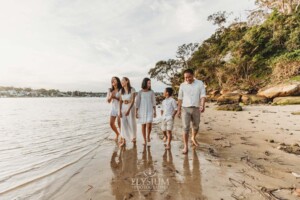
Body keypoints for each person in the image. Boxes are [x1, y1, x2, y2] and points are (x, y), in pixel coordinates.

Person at [177, 69, 206, 154]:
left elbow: (203, 95)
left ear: (193, 75)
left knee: (196, 126)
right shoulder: (182, 85)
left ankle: (193, 137)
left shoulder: (200, 83)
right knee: (185, 128)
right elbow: (179, 98)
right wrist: (178, 110)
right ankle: (185, 146)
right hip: (185, 109)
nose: (187, 79)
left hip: (196, 109)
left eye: (189, 77)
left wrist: (202, 105)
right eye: (185, 77)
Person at [135, 78, 156, 146]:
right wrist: (136, 112)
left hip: (150, 110)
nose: (150, 84)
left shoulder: (151, 92)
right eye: (148, 83)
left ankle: (148, 136)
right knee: (143, 125)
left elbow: (154, 102)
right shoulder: (140, 92)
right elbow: (137, 102)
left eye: (150, 83)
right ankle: (144, 139)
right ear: (145, 83)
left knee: (149, 125)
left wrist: (155, 111)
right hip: (142, 110)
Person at [118, 77, 137, 147]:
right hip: (123, 107)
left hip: (131, 107)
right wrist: (119, 111)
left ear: (127, 81)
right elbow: (120, 101)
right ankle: (124, 140)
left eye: (122, 81)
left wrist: (129, 110)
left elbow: (133, 101)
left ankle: (134, 137)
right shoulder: (121, 90)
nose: (121, 82)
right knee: (123, 123)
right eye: (121, 81)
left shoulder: (132, 89)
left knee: (131, 122)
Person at [107, 77, 122, 141]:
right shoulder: (110, 90)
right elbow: (108, 101)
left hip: (120, 108)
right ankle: (117, 134)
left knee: (119, 123)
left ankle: (122, 137)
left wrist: (115, 97)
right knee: (111, 123)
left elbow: (122, 100)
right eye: (112, 80)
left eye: (114, 79)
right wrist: (111, 96)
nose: (113, 80)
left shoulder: (121, 90)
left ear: (117, 81)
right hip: (113, 108)